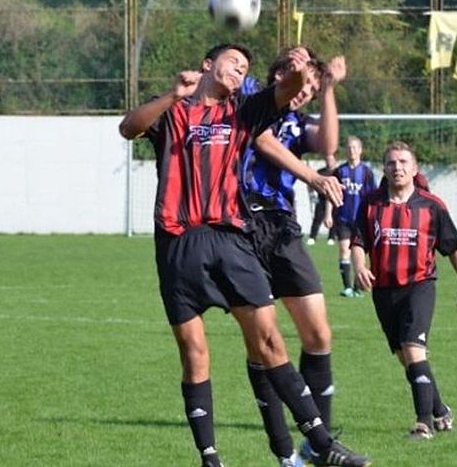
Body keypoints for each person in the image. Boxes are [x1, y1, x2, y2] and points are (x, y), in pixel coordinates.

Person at [119, 43, 369, 467]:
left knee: (270, 340)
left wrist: (301, 70)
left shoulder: (243, 111)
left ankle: (321, 444)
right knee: (194, 351)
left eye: (245, 67)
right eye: (232, 61)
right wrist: (173, 94)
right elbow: (128, 128)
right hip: (178, 242)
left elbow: (287, 91)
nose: (239, 69)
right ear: (206, 65)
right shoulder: (174, 113)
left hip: (232, 238)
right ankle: (210, 457)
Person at [239, 49, 349, 466]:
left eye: (311, 91)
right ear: (282, 73)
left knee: (318, 335)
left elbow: (327, 144)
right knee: (263, 341)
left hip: (283, 229)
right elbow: (259, 140)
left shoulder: (296, 122)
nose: (305, 94)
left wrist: (329, 92)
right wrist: (313, 177)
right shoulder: (250, 98)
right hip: (242, 224)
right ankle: (285, 448)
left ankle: (317, 441)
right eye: (303, 85)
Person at [351, 140, 457, 440]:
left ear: (415, 168)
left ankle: (423, 423)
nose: (398, 167)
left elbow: (453, 248)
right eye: (392, 163)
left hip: (420, 285)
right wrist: (359, 267)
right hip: (384, 291)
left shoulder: (432, 206)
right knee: (405, 357)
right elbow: (358, 242)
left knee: (412, 347)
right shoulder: (370, 204)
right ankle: (441, 411)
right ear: (384, 168)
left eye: (404, 162)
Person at [326, 135, 375, 297]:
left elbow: (372, 196)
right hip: (343, 218)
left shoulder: (367, 172)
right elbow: (330, 193)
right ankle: (347, 287)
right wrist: (328, 214)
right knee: (343, 250)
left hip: (361, 220)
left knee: (359, 254)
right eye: (349, 148)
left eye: (355, 147)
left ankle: (357, 287)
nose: (352, 151)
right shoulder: (340, 171)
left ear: (360, 150)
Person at [307, 153, 339, 247]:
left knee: (334, 218)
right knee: (317, 218)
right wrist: (312, 194)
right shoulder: (320, 171)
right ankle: (312, 237)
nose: (329, 161)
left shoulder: (338, 172)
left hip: (334, 198)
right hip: (321, 198)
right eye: (327, 159)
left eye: (331, 159)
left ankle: (331, 237)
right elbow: (311, 183)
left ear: (334, 160)